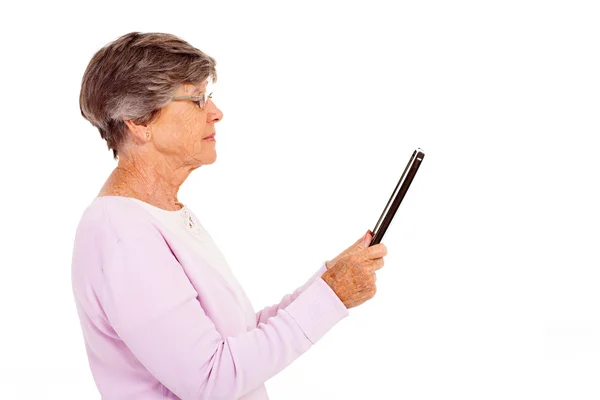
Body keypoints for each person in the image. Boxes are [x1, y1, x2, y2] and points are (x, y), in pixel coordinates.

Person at [71, 31, 388, 400]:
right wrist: (332, 296)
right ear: (139, 122)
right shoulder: (120, 233)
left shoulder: (161, 214)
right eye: (197, 99)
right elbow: (211, 378)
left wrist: (329, 282)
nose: (215, 113)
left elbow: (237, 340)